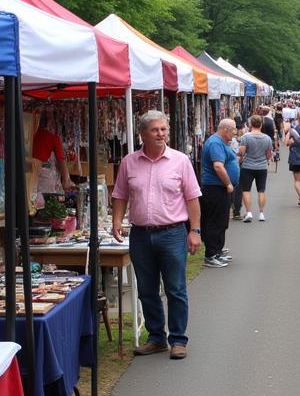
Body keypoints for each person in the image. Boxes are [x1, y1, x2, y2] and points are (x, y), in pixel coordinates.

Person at [110, 110, 202, 360]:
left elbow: (192, 197)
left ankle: (178, 339)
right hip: (140, 234)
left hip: (172, 232)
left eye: (164, 129)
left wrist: (194, 230)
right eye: (155, 130)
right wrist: (117, 221)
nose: (161, 134)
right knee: (147, 290)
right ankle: (156, 337)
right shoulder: (129, 162)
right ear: (142, 134)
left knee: (175, 288)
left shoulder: (180, 161)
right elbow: (120, 194)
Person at [200, 118, 239, 267]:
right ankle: (211, 255)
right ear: (225, 129)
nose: (235, 133)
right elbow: (218, 166)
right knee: (216, 222)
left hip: (219, 187)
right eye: (233, 130)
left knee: (221, 221)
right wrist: (228, 183)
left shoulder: (220, 142)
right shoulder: (215, 142)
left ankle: (217, 250)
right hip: (215, 188)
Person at [238, 114, 273, 221]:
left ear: (250, 124)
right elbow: (268, 154)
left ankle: (249, 212)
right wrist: (264, 159)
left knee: (246, 190)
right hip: (262, 166)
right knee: (261, 190)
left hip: (247, 166)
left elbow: (241, 152)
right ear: (261, 124)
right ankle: (261, 213)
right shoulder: (267, 138)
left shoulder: (245, 137)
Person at [32, 122, 75, 194]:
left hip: (28, 167)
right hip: (42, 176)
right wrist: (67, 180)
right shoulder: (55, 138)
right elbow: (61, 161)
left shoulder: (35, 130)